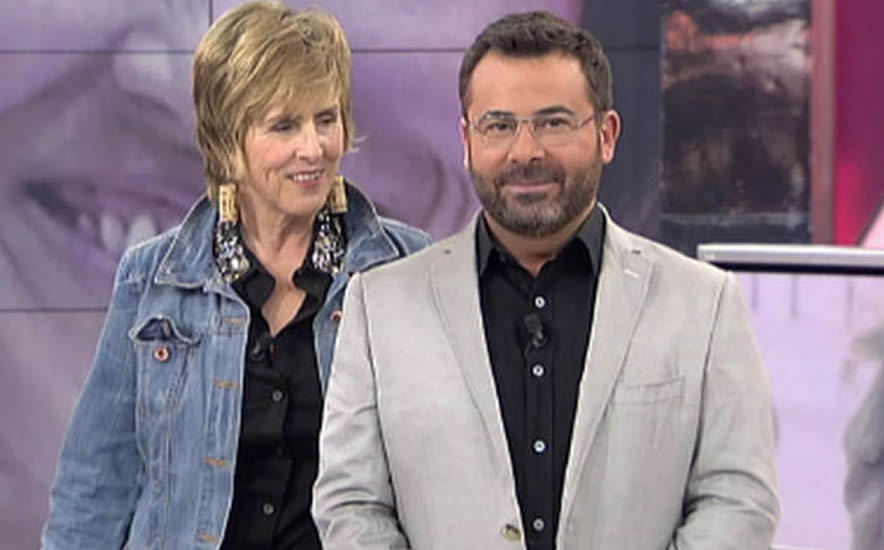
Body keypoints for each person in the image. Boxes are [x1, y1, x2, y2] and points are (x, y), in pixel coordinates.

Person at [313, 11, 779, 550]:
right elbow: (351, 504)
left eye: (554, 123)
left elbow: (739, 501)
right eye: (499, 125)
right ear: (466, 140)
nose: (526, 151)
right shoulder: (381, 306)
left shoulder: (705, 304)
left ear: (606, 135)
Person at [40, 2, 429, 548]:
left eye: (326, 119)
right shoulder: (153, 280)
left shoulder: (406, 268)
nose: (313, 148)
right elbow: (95, 486)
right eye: (284, 125)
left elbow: (444, 472)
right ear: (228, 141)